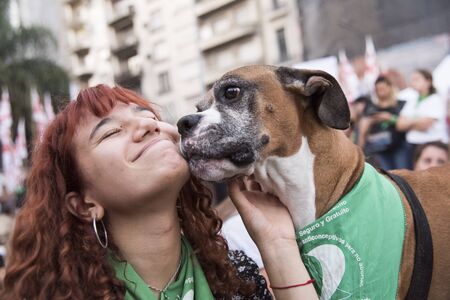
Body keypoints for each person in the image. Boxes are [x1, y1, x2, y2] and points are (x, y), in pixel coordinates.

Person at [1, 85, 318, 300]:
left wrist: (278, 246)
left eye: (149, 117)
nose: (149, 127)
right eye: (111, 131)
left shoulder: (234, 275)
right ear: (84, 204)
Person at [397, 69, 448, 169]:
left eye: (417, 79)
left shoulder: (435, 99)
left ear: (428, 81)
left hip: (432, 146)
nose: (413, 83)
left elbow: (425, 126)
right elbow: (399, 125)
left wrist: (408, 122)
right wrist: (417, 121)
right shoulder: (412, 101)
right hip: (413, 145)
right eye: (412, 80)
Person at [358, 76, 408, 170]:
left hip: (399, 146)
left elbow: (406, 123)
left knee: (402, 173)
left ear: (390, 87)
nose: (380, 91)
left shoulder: (401, 104)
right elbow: (362, 130)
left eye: (383, 88)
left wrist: (390, 118)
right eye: (378, 89)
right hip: (379, 148)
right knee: (387, 175)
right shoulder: (370, 108)